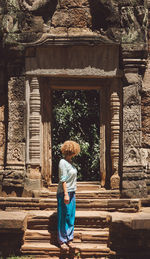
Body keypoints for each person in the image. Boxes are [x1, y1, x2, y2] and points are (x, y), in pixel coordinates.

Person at [57, 140, 80, 251]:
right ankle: (62, 240)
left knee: (70, 216)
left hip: (72, 192)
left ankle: (69, 239)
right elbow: (63, 180)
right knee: (63, 216)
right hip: (64, 193)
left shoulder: (71, 164)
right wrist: (66, 194)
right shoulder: (62, 162)